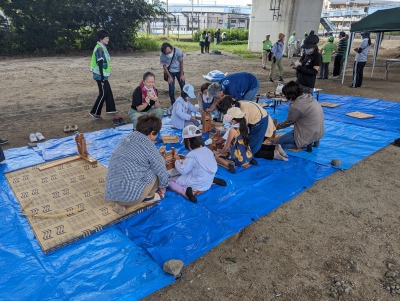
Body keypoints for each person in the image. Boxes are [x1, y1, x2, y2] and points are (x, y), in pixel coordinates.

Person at [105, 114, 169, 214]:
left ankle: (120, 204)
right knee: (158, 165)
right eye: (157, 134)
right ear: (152, 133)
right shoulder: (148, 145)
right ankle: (149, 197)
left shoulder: (127, 138)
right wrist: (163, 186)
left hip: (111, 192)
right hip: (131, 198)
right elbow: (160, 169)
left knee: (142, 166)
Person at [169, 125, 218, 203]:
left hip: (198, 183)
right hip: (207, 182)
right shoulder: (208, 150)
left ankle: (186, 191)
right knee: (196, 173)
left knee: (170, 181)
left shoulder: (192, 155)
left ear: (188, 141)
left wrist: (177, 160)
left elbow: (183, 171)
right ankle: (212, 180)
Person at [276, 81, 324, 152]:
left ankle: (303, 144)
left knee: (279, 143)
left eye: (286, 95)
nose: (285, 97)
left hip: (308, 132)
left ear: (290, 94)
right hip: (318, 130)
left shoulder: (296, 106)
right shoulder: (308, 96)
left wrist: (277, 127)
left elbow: (289, 121)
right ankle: (313, 140)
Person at [214, 107, 254, 173]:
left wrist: (220, 153)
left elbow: (226, 146)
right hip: (248, 153)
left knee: (216, 157)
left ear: (232, 120)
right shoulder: (245, 126)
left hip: (238, 156)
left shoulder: (232, 130)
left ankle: (229, 164)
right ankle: (249, 159)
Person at [89, 29, 117, 119]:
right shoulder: (100, 49)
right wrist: (102, 78)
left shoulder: (102, 47)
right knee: (103, 93)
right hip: (100, 76)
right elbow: (100, 64)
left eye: (108, 38)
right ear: (101, 39)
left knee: (107, 91)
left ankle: (110, 109)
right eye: (106, 38)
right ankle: (94, 112)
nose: (108, 39)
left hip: (102, 75)